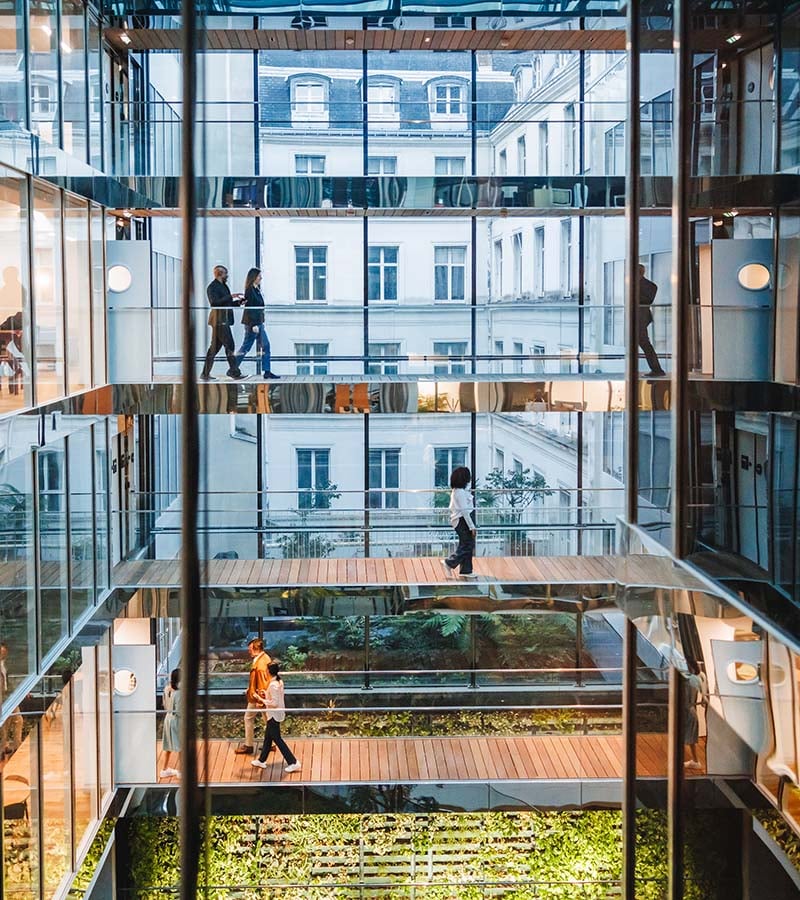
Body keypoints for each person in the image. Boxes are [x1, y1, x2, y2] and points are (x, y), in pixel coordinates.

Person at [250, 662, 301, 774]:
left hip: (274, 714)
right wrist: (266, 693)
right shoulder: (278, 681)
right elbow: (275, 696)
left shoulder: (273, 685)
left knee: (277, 739)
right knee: (268, 738)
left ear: (269, 671)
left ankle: (293, 762)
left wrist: (261, 699)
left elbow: (274, 702)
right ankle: (261, 760)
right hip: (274, 714)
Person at [200, 265, 244, 381]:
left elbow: (226, 303)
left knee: (214, 348)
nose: (227, 275)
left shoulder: (224, 286)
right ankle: (234, 372)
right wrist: (230, 296)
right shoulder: (212, 287)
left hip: (224, 320)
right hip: (219, 321)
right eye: (225, 273)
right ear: (219, 274)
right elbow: (214, 303)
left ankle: (205, 374)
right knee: (230, 345)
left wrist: (238, 302)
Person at [234, 267, 279, 380]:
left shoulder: (256, 289)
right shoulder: (249, 290)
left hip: (259, 323)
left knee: (265, 346)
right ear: (254, 277)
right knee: (246, 347)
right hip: (252, 324)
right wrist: (254, 325)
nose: (261, 278)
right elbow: (250, 308)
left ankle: (267, 371)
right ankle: (233, 368)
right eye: (259, 276)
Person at [234, 638, 272, 755]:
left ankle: (249, 745)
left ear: (255, 649)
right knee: (267, 719)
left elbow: (261, 683)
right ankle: (271, 744)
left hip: (257, 697)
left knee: (248, 718)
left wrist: (259, 699)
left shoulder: (259, 665)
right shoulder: (264, 658)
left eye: (250, 649)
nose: (248, 651)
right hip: (261, 695)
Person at [442, 466, 476, 577]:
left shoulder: (457, 491)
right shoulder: (460, 492)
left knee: (465, 544)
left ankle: (466, 570)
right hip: (462, 521)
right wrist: (472, 526)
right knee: (468, 545)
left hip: (461, 520)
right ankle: (449, 562)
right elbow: (464, 511)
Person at [638, 264, 666, 377]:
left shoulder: (649, 286)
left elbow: (646, 300)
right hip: (639, 316)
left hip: (640, 317)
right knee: (643, 342)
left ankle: (657, 369)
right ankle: (656, 369)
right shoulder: (647, 285)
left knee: (644, 343)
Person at [0, 643, 22, 757]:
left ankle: (17, 745)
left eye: (4, 652)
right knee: (5, 724)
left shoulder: (5, 665)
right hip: (2, 698)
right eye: (2, 652)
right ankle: (4, 747)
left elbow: (9, 681)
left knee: (18, 719)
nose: (3, 654)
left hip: (9, 696)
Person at [683, 660, 706, 771]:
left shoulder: (687, 680)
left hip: (686, 710)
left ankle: (695, 761)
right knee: (690, 738)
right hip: (691, 710)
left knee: (688, 738)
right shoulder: (697, 679)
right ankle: (694, 760)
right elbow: (704, 698)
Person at [160, 668, 181, 778]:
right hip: (176, 720)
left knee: (168, 745)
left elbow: (164, 704)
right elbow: (179, 710)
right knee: (181, 745)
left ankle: (164, 769)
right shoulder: (179, 693)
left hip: (167, 718)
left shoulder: (167, 689)